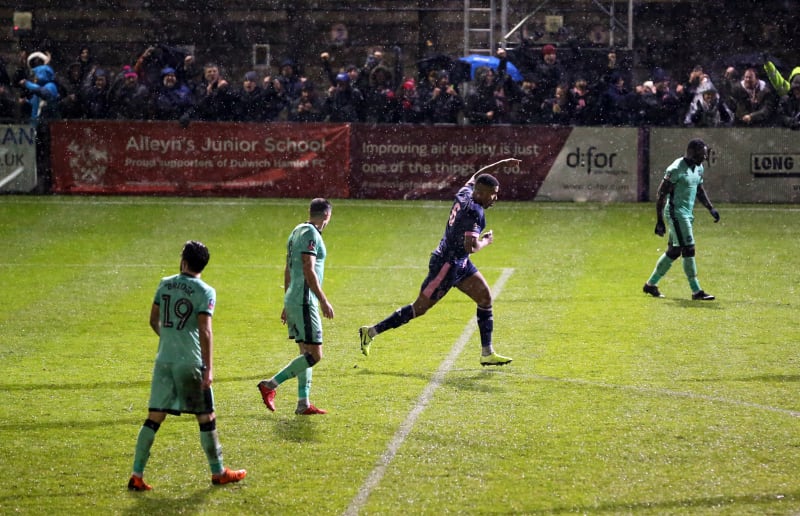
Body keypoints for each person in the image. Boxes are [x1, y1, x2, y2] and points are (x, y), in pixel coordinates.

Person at [358, 158, 521, 366]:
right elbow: (471, 246)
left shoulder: (466, 193)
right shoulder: (474, 213)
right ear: (480, 193)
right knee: (419, 308)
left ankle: (487, 352)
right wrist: (486, 241)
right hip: (446, 266)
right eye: (493, 194)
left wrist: (503, 163)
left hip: (460, 262)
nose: (495, 198)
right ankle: (370, 332)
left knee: (485, 298)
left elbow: (478, 173)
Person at [128, 240, 246, 491]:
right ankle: (218, 472)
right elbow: (205, 330)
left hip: (163, 361)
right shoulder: (205, 291)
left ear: (183, 260)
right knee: (206, 416)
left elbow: (153, 320)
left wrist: (171, 340)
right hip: (189, 363)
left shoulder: (165, 283)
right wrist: (209, 368)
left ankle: (136, 474)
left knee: (154, 417)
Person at [258, 199, 334, 416]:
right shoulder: (311, 234)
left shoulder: (296, 231)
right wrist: (322, 300)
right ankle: (270, 385)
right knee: (314, 355)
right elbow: (308, 269)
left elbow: (288, 268)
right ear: (326, 215)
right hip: (304, 299)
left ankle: (303, 403)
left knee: (304, 352)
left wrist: (286, 300)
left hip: (294, 297)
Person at [643, 139, 719, 301]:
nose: (705, 157)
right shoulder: (676, 168)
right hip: (676, 214)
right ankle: (696, 291)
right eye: (702, 153)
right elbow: (661, 194)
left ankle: (650, 285)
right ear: (692, 152)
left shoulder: (699, 168)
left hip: (687, 214)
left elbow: (699, 189)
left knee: (674, 251)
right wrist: (659, 220)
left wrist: (710, 208)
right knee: (689, 249)